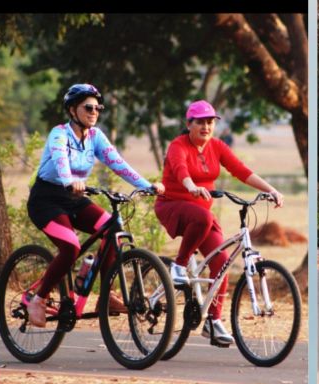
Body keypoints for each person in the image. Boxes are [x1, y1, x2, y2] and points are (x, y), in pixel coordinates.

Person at [25, 83, 165, 327]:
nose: (94, 112)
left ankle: (106, 296)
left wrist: (146, 185)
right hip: (46, 200)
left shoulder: (95, 136)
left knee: (113, 230)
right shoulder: (59, 134)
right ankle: (38, 298)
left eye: (97, 107)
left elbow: (118, 163)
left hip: (75, 198)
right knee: (70, 246)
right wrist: (69, 180)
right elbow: (60, 160)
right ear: (72, 110)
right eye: (88, 107)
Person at [154, 100, 284, 346]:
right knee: (203, 218)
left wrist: (272, 190)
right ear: (188, 124)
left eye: (210, 122)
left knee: (222, 264)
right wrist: (192, 187)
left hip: (201, 215)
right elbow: (181, 169)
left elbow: (241, 170)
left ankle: (213, 321)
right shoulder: (177, 146)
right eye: (200, 122)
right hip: (172, 206)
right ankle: (178, 266)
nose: (206, 126)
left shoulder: (217, 146)